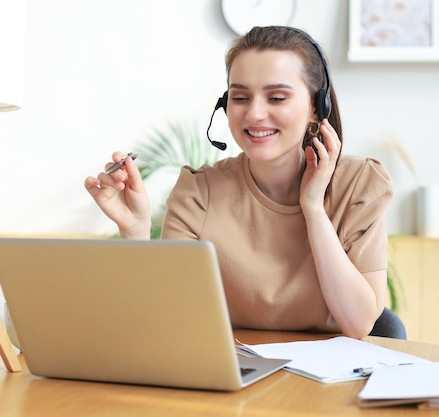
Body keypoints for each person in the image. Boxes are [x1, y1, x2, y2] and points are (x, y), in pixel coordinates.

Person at [84, 26, 393, 339]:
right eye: (241, 97)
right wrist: (135, 232)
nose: (255, 113)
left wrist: (312, 207)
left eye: (276, 97)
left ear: (317, 107)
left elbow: (358, 324)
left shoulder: (359, 184)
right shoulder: (198, 192)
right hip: (234, 373)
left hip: (333, 379)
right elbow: (166, 318)